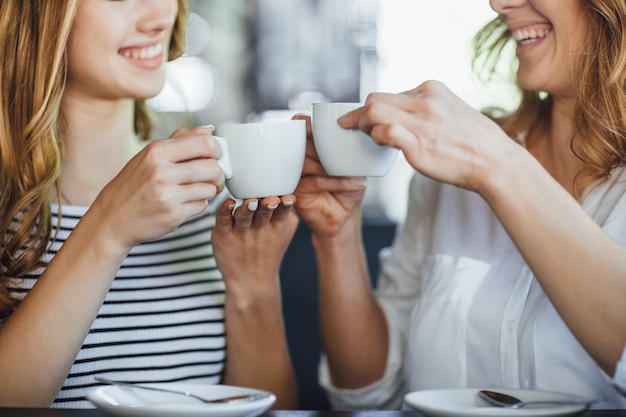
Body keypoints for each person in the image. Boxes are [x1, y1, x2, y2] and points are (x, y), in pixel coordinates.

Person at [292, 0, 626, 409]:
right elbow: (369, 393)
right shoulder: (445, 179)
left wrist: (497, 165)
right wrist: (338, 235)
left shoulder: (484, 157)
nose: (498, 3)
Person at [0, 0, 297, 409]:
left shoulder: (217, 206)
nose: (160, 18)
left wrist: (254, 287)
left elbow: (268, 407)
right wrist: (107, 228)